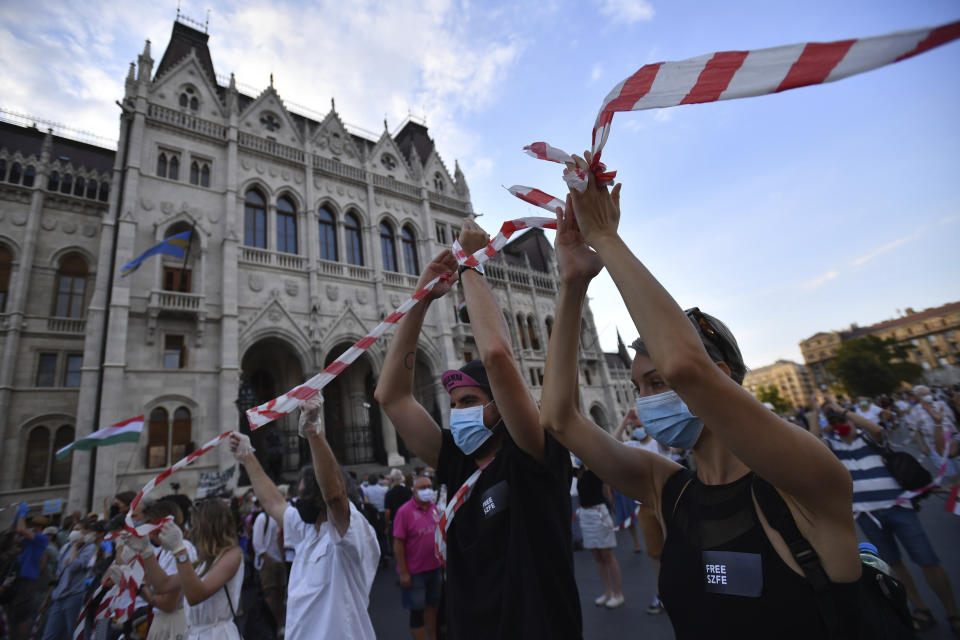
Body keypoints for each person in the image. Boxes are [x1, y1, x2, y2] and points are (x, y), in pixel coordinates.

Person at [538, 153, 862, 639]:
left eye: (658, 383)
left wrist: (606, 237)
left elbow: (686, 367)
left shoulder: (807, 481)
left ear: (723, 375)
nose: (646, 399)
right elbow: (560, 419)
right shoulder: (667, 488)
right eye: (639, 387)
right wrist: (572, 285)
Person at [375, 232, 582, 640]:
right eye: (455, 403)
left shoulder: (535, 455)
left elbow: (498, 356)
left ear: (502, 404)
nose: (460, 412)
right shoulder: (457, 460)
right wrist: (421, 298)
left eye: (470, 399)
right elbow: (391, 396)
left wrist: (471, 264)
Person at [230, 395, 380, 640]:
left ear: (318, 498)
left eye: (304, 495)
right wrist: (247, 457)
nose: (298, 501)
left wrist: (313, 432)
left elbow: (334, 495)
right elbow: (273, 502)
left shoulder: (351, 530)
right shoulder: (307, 529)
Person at [815, 400, 960, 635]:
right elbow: (813, 439)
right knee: (894, 565)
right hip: (867, 515)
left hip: (898, 507)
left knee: (928, 561)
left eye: (843, 421)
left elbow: (876, 429)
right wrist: (817, 412)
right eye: (835, 423)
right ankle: (921, 609)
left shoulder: (869, 439)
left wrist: (843, 412)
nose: (840, 425)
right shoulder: (832, 446)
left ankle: (953, 613)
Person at [130, 499, 243, 640]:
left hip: (217, 634)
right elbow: (162, 585)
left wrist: (179, 551)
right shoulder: (202, 562)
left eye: (196, 524)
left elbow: (195, 596)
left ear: (209, 526)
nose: (193, 530)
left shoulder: (232, 555)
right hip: (195, 633)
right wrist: (146, 551)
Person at [619, 410, 669, 614]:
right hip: (645, 505)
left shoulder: (659, 443)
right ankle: (662, 594)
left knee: (679, 548)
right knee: (655, 554)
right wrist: (624, 422)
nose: (638, 429)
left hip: (667, 502)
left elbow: (666, 441)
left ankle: (685, 589)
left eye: (641, 425)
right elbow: (612, 443)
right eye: (636, 427)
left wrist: (645, 420)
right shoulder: (632, 446)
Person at [393, 474, 442, 640]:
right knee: (417, 612)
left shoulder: (434, 508)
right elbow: (398, 543)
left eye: (429, 486)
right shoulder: (404, 512)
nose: (427, 490)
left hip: (434, 568)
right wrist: (404, 572)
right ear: (414, 491)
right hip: (415, 572)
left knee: (431, 607)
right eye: (422, 488)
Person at [575, 464, 624, 608]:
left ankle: (618, 593)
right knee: (597, 556)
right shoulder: (579, 471)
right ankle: (607, 592)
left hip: (599, 513)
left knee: (607, 555)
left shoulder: (596, 467)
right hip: (585, 514)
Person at [41, 519, 97, 640]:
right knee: (49, 635)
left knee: (76, 632)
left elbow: (73, 566)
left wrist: (76, 547)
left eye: (78, 530)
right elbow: (59, 571)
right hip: (59, 595)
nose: (74, 533)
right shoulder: (66, 547)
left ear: (86, 532)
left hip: (75, 595)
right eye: (73, 530)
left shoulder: (90, 548)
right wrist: (48, 597)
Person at [12, 508, 51, 639]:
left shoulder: (42, 538)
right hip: (20, 577)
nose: (32, 527)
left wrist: (21, 515)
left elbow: (21, 530)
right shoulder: (30, 538)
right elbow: (16, 533)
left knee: (21, 618)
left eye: (34, 525)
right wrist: (16, 518)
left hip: (28, 579)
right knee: (15, 616)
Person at [252, 501, 285, 629]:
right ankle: (269, 627)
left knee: (280, 596)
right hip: (269, 562)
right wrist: (267, 559)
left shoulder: (278, 517)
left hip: (279, 561)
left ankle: (278, 625)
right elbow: (257, 542)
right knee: (270, 595)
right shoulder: (262, 518)